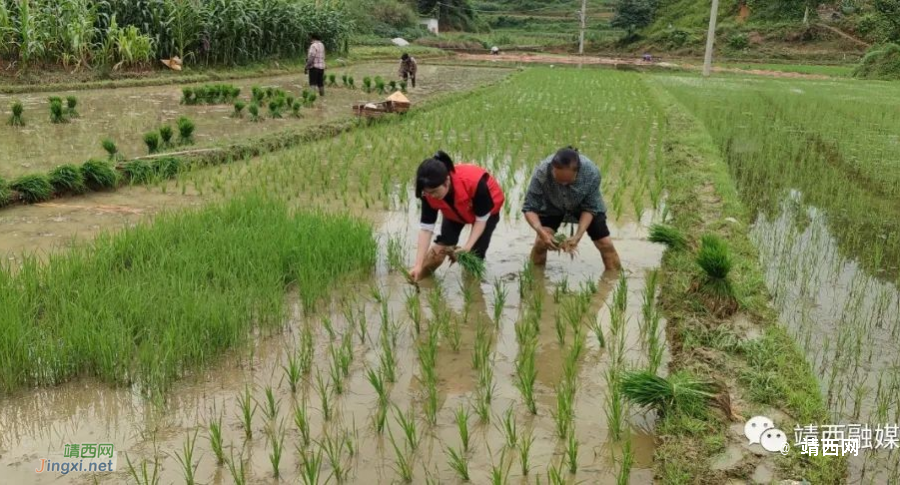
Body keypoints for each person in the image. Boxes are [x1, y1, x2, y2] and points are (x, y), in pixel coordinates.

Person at [409, 151, 506, 282]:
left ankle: (471, 288)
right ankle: (419, 279)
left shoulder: (474, 182)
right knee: (441, 246)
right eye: (427, 193)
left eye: (434, 192)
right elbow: (426, 229)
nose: (431, 196)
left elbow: (481, 219)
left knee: (474, 254)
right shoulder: (428, 194)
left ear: (447, 181)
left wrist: (467, 246)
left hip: (486, 213)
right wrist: (418, 265)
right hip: (455, 212)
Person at [522, 147, 621, 271]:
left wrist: (578, 235)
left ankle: (616, 280)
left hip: (582, 204)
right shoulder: (542, 172)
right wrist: (542, 232)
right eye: (559, 181)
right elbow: (529, 207)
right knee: (540, 243)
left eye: (568, 182)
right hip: (552, 204)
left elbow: (590, 208)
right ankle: (534, 280)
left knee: (605, 244)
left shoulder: (591, 173)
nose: (563, 185)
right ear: (552, 169)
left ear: (577, 172)